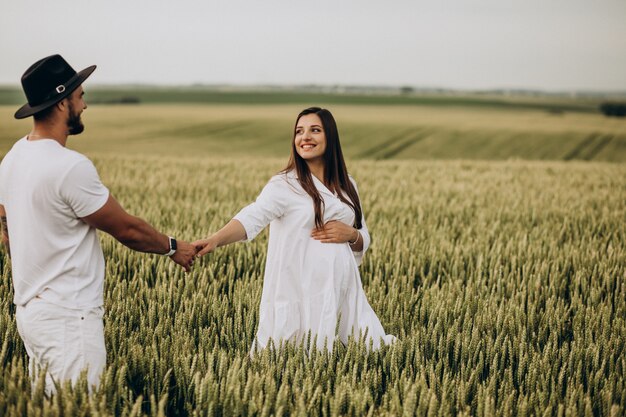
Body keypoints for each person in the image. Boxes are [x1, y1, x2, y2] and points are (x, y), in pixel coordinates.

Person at [0, 54, 197, 394]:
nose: (85, 105)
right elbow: (127, 230)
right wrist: (174, 247)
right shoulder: (69, 166)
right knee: (80, 405)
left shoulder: (13, 158)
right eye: (81, 96)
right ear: (63, 103)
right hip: (68, 320)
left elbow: (6, 232)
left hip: (31, 314)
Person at [193, 107, 395, 351]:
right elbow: (253, 215)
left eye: (315, 130)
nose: (305, 137)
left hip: (343, 289)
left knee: (362, 351)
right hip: (301, 289)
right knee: (302, 355)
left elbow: (363, 234)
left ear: (330, 137)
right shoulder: (284, 184)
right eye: (299, 131)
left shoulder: (347, 184)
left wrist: (352, 235)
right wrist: (216, 239)